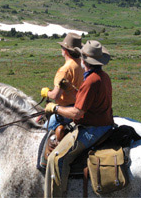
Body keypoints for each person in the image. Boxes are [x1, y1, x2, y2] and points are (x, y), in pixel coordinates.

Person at [44, 40, 114, 198]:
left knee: (56, 158)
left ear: (84, 61)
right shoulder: (102, 76)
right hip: (106, 125)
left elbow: (77, 114)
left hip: (92, 129)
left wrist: (54, 108)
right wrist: (74, 90)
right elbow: (89, 100)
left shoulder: (90, 81)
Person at [40, 33, 84, 132]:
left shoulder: (64, 70)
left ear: (66, 51)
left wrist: (46, 92)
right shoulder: (82, 65)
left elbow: (56, 95)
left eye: (62, 47)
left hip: (65, 111)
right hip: (80, 107)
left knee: (41, 133)